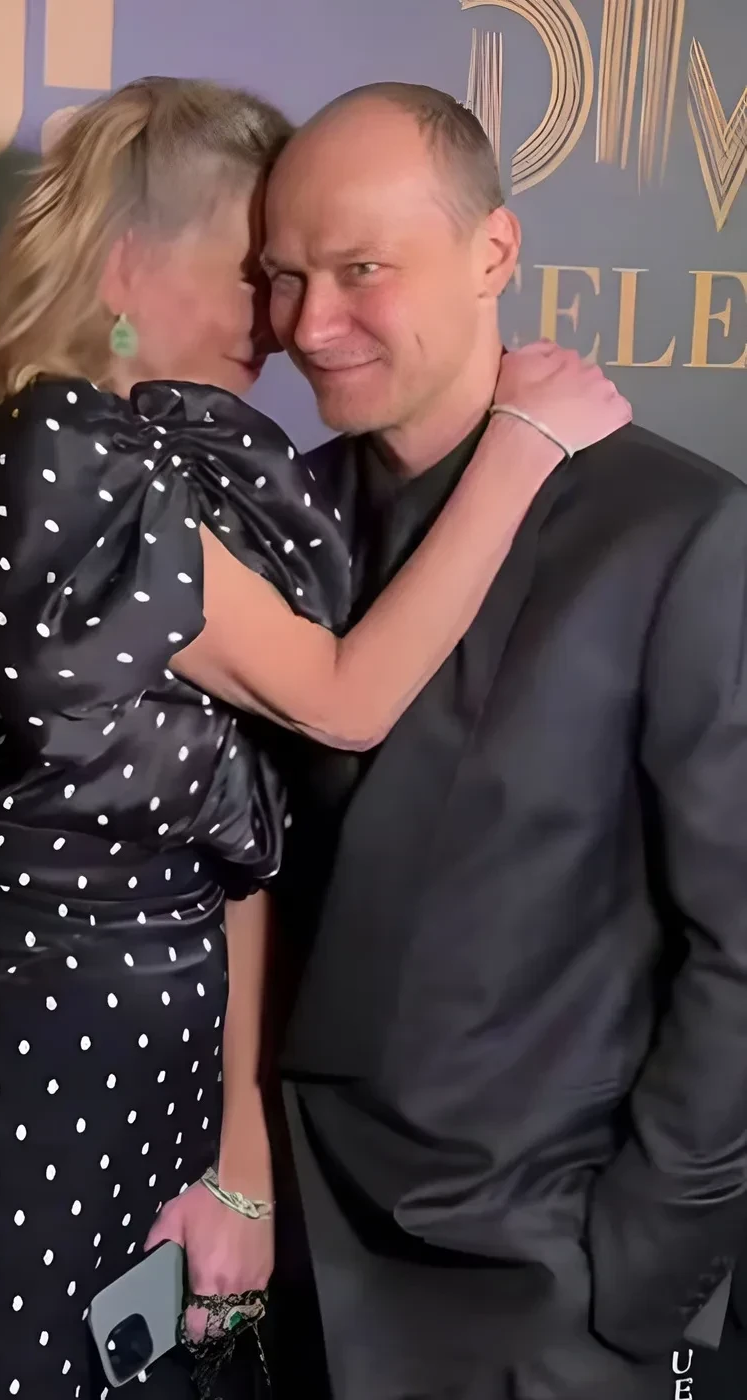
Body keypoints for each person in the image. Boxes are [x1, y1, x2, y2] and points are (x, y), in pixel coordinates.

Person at [0, 76, 627, 1399]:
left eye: (297, 277)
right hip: (15, 1082)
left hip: (165, 1085)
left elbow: (234, 850)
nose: (289, 322)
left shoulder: (208, 478)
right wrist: (525, 445)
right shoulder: (52, 446)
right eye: (256, 274)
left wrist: (239, 1148)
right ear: (126, 263)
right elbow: (342, 698)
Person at [265, 82, 747, 1400]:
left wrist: (634, 1286)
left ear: (492, 253)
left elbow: (738, 950)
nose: (309, 325)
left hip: (540, 1299)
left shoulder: (677, 535)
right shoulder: (266, 529)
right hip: (283, 1283)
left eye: (360, 270)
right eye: (284, 276)